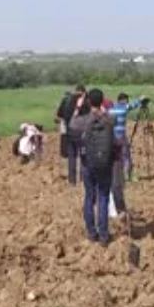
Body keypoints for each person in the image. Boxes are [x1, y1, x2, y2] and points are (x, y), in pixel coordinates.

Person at [69, 89, 116, 245]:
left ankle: (91, 232)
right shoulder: (109, 119)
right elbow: (113, 124)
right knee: (103, 198)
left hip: (87, 163)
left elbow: (71, 124)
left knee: (89, 197)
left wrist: (77, 107)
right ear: (102, 101)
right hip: (105, 164)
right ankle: (103, 235)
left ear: (88, 102)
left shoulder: (83, 120)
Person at [108, 92, 145, 210]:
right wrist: (141, 99)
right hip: (121, 137)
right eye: (126, 100)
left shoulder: (111, 110)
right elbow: (132, 105)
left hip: (112, 137)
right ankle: (127, 175)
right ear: (123, 100)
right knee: (126, 156)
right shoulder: (123, 108)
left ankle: (120, 175)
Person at [55, 85, 87, 185]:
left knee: (71, 157)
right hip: (81, 133)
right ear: (83, 91)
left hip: (69, 132)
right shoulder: (85, 102)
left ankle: (72, 180)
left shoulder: (66, 100)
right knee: (83, 156)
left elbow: (59, 115)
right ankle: (83, 179)